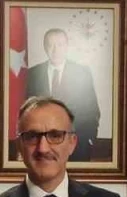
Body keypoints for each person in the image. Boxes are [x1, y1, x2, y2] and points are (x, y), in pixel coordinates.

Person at [24, 28, 101, 162]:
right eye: (51, 45)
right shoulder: (32, 74)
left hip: (77, 144)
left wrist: (89, 139)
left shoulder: (82, 72)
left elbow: (92, 110)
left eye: (60, 45)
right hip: (43, 145)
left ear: (66, 46)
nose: (55, 50)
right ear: (45, 47)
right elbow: (29, 111)